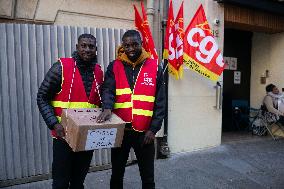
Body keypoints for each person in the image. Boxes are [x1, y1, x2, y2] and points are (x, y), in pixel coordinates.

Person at [97, 30, 165, 189]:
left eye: (134, 44)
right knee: (117, 174)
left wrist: (153, 130)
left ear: (141, 44)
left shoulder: (154, 66)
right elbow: (108, 90)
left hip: (145, 133)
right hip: (121, 131)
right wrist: (107, 107)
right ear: (123, 46)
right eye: (126, 45)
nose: (130, 48)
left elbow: (160, 102)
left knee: (148, 177)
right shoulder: (114, 66)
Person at [37, 34, 103, 189]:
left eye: (91, 47)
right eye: (83, 46)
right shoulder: (61, 67)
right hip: (63, 136)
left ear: (96, 49)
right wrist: (54, 123)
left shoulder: (98, 72)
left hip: (86, 137)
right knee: (60, 183)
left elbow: (99, 103)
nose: (87, 49)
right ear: (77, 47)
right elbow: (42, 97)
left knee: (78, 181)